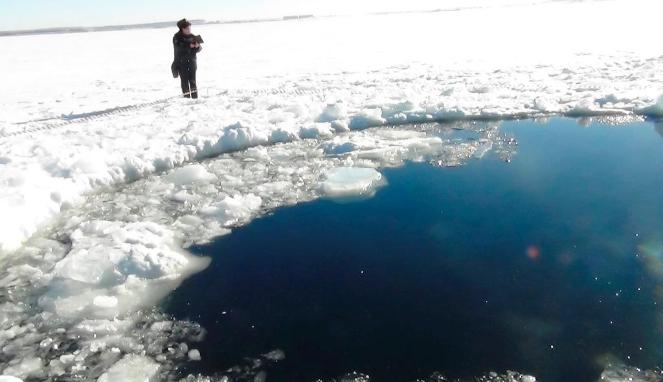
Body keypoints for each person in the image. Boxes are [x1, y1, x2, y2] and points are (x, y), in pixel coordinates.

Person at [172, 19, 202, 98]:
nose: (189, 30)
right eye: (187, 28)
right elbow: (178, 48)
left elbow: (199, 49)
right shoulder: (177, 37)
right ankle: (187, 99)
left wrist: (197, 47)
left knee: (193, 81)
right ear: (183, 29)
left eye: (190, 28)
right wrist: (189, 46)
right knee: (184, 82)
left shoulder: (192, 36)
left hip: (192, 62)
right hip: (182, 63)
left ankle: (195, 98)